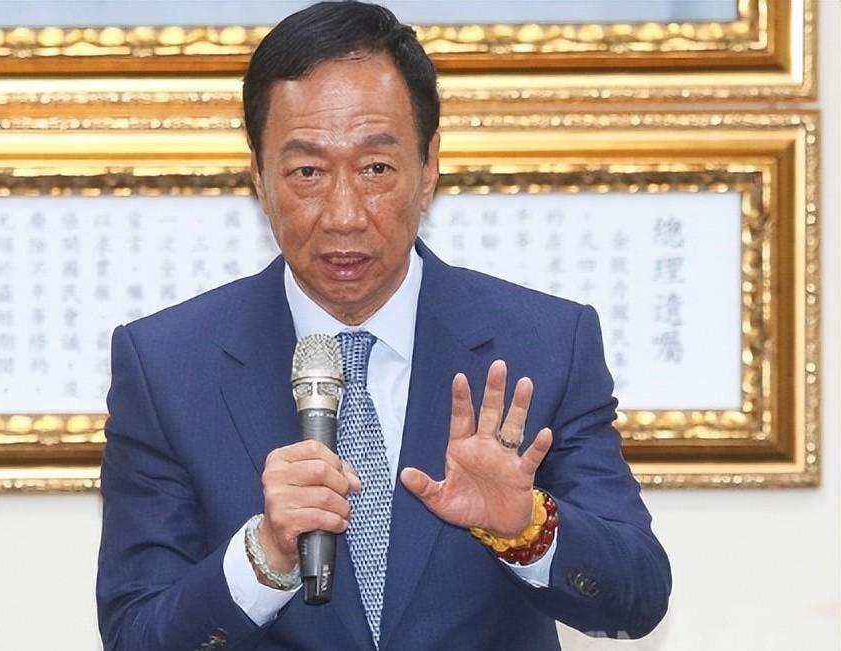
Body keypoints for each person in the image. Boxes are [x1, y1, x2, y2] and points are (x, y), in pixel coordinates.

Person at [96, 2, 671, 650]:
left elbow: (639, 596)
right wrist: (264, 555)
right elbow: (135, 635)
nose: (344, 214)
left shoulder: (545, 344)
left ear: (429, 168)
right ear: (258, 176)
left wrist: (528, 527)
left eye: (375, 169)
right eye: (308, 172)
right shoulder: (166, 367)